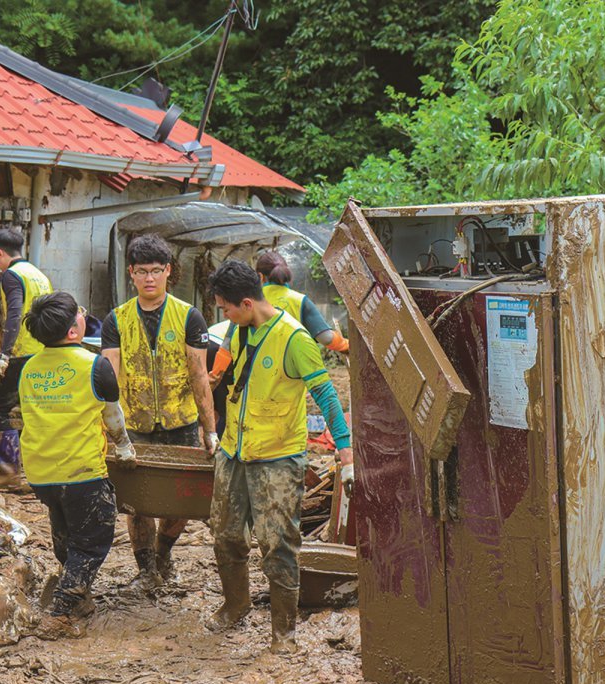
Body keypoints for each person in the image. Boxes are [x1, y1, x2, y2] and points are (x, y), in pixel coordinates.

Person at [204, 259, 354, 654]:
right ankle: (235, 606)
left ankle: (283, 633)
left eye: (226, 307)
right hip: (234, 451)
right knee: (225, 534)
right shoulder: (240, 331)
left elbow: (326, 396)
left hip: (278, 458)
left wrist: (345, 448)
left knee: (278, 543)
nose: (224, 314)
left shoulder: (295, 339)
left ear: (248, 302)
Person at [101, 233, 219, 588]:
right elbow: (109, 377)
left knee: (180, 502)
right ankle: (146, 569)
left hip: (179, 421)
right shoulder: (116, 320)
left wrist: (209, 428)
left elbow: (200, 376)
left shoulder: (189, 316)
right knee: (136, 503)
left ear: (169, 271)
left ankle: (164, 550)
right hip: (133, 423)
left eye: (156, 270)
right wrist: (112, 429)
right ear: (131, 275)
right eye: (141, 272)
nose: (149, 279)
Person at [19, 290, 136, 639]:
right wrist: (125, 448)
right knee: (93, 539)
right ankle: (60, 612)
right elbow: (113, 417)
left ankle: (80, 596)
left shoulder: (28, 368)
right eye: (80, 314)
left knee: (66, 531)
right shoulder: (95, 366)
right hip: (81, 470)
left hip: (40, 472)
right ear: (74, 331)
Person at [208, 250, 349, 384]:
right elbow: (326, 338)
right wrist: (347, 346)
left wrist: (215, 374)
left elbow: (227, 343)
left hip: (251, 381)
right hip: (285, 381)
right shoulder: (300, 301)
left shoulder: (249, 300)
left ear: (260, 277)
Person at [0, 228, 53, 479]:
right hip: (43, 353)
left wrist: (4, 355)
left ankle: (9, 468)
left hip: (21, 353)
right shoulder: (39, 275)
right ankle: (38, 470)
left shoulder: (11, 276)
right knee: (33, 410)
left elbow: (15, 313)